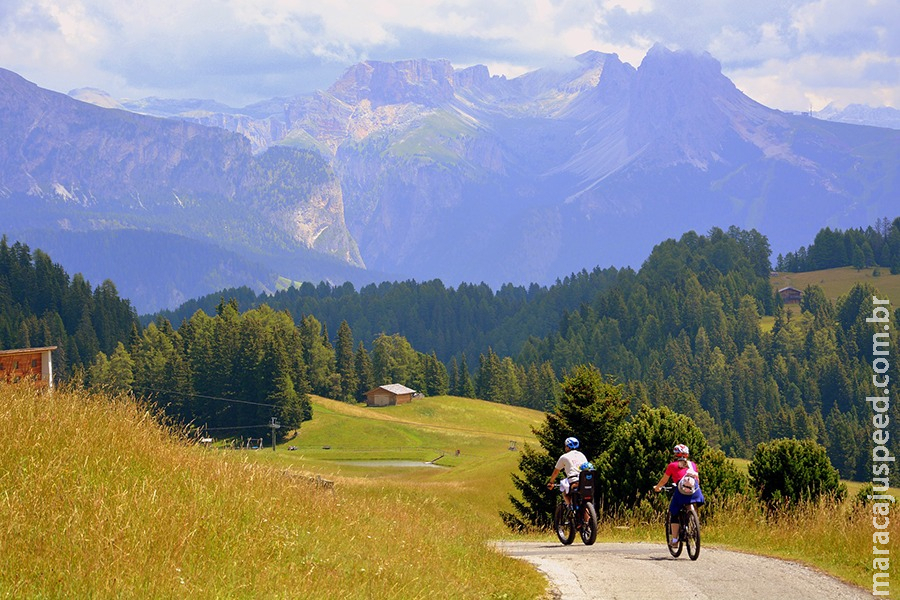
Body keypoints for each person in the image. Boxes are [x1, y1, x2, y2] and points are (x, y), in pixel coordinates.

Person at [653, 443, 704, 547]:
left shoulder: (672, 466)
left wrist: (658, 487)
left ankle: (675, 540)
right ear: (687, 455)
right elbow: (697, 480)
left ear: (675, 455)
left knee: (674, 512)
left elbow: (664, 480)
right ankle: (692, 520)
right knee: (689, 503)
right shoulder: (692, 464)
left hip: (681, 492)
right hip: (695, 491)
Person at [546, 437, 588, 507]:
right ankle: (589, 517)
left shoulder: (564, 457)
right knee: (584, 503)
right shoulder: (582, 455)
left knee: (565, 492)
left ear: (568, 447)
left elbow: (556, 471)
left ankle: (570, 507)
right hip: (586, 481)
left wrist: (551, 482)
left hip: (574, 481)